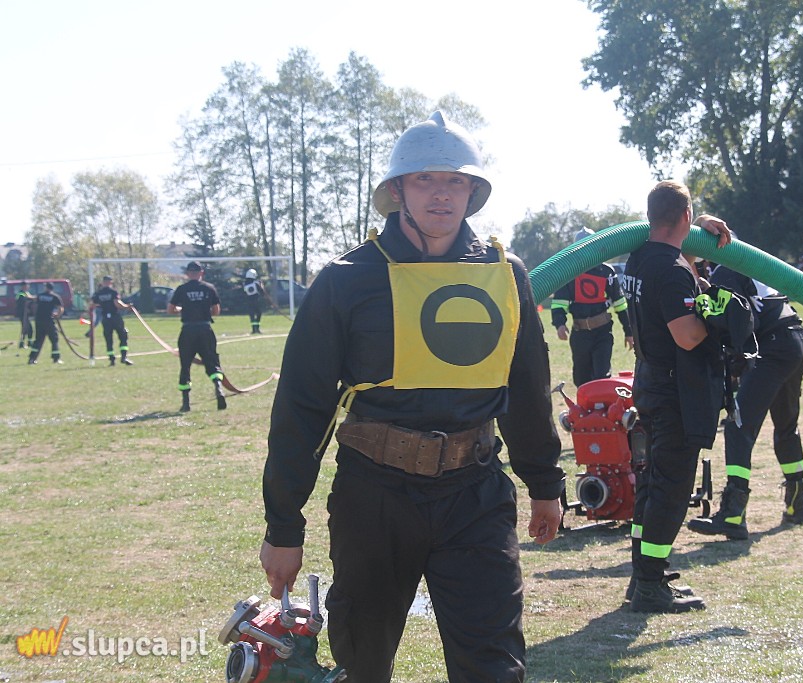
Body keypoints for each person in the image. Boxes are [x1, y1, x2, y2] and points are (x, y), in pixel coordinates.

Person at [259, 111, 564, 682]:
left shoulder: (506, 273)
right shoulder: (346, 279)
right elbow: (302, 409)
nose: (441, 195)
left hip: (476, 494)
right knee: (363, 662)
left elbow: (525, 386)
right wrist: (283, 526)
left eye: (454, 181)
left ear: (473, 191)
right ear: (397, 189)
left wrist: (544, 482)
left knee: (494, 669)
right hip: (375, 496)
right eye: (424, 179)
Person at [621, 180, 737, 613]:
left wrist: (697, 228)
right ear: (685, 217)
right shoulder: (671, 269)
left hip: (650, 383)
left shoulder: (639, 259)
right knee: (670, 488)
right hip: (674, 392)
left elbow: (675, 263)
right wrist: (721, 319)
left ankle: (643, 575)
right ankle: (650, 583)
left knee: (652, 484)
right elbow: (687, 336)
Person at [687, 264, 803, 540]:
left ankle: (733, 513)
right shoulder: (752, 266)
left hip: (773, 345)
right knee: (786, 424)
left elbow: (737, 321)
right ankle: (798, 502)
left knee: (737, 426)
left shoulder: (725, 272)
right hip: (797, 339)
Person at [550, 228, 633, 387]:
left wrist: (628, 332)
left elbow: (619, 303)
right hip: (580, 334)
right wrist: (560, 324)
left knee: (602, 377)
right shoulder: (570, 273)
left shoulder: (607, 272)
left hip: (602, 333)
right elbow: (559, 302)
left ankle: (602, 410)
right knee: (582, 379)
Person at [167, 261, 226, 412]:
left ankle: (186, 403)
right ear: (201, 273)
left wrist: (183, 309)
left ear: (187, 274)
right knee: (212, 362)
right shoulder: (209, 288)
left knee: (185, 365)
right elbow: (216, 310)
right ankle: (219, 390)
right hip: (205, 329)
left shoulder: (181, 289)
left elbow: (170, 309)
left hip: (188, 330)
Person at [90, 276, 134, 366]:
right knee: (123, 335)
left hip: (105, 318)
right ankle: (124, 357)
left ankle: (112, 359)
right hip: (115, 317)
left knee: (108, 339)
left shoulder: (97, 294)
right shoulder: (113, 292)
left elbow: (91, 306)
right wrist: (127, 307)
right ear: (110, 282)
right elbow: (117, 304)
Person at [27, 282, 64, 365]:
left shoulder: (40, 295)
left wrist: (27, 295)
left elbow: (33, 299)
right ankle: (56, 359)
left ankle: (32, 359)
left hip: (39, 320)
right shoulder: (55, 297)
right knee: (54, 340)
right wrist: (57, 315)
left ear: (46, 287)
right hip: (49, 320)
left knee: (38, 340)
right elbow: (60, 308)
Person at [242, 268, 265, 334]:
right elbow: (262, 292)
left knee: (252, 315)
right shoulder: (256, 284)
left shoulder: (245, 284)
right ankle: (257, 328)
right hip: (256, 302)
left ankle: (253, 329)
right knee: (258, 314)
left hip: (249, 302)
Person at [14, 282, 34, 349]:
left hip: (27, 314)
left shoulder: (27, 292)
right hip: (23, 314)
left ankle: (29, 343)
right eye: (26, 285)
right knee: (25, 329)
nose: (27, 286)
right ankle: (22, 344)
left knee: (29, 329)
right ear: (22, 286)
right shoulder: (21, 293)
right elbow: (22, 300)